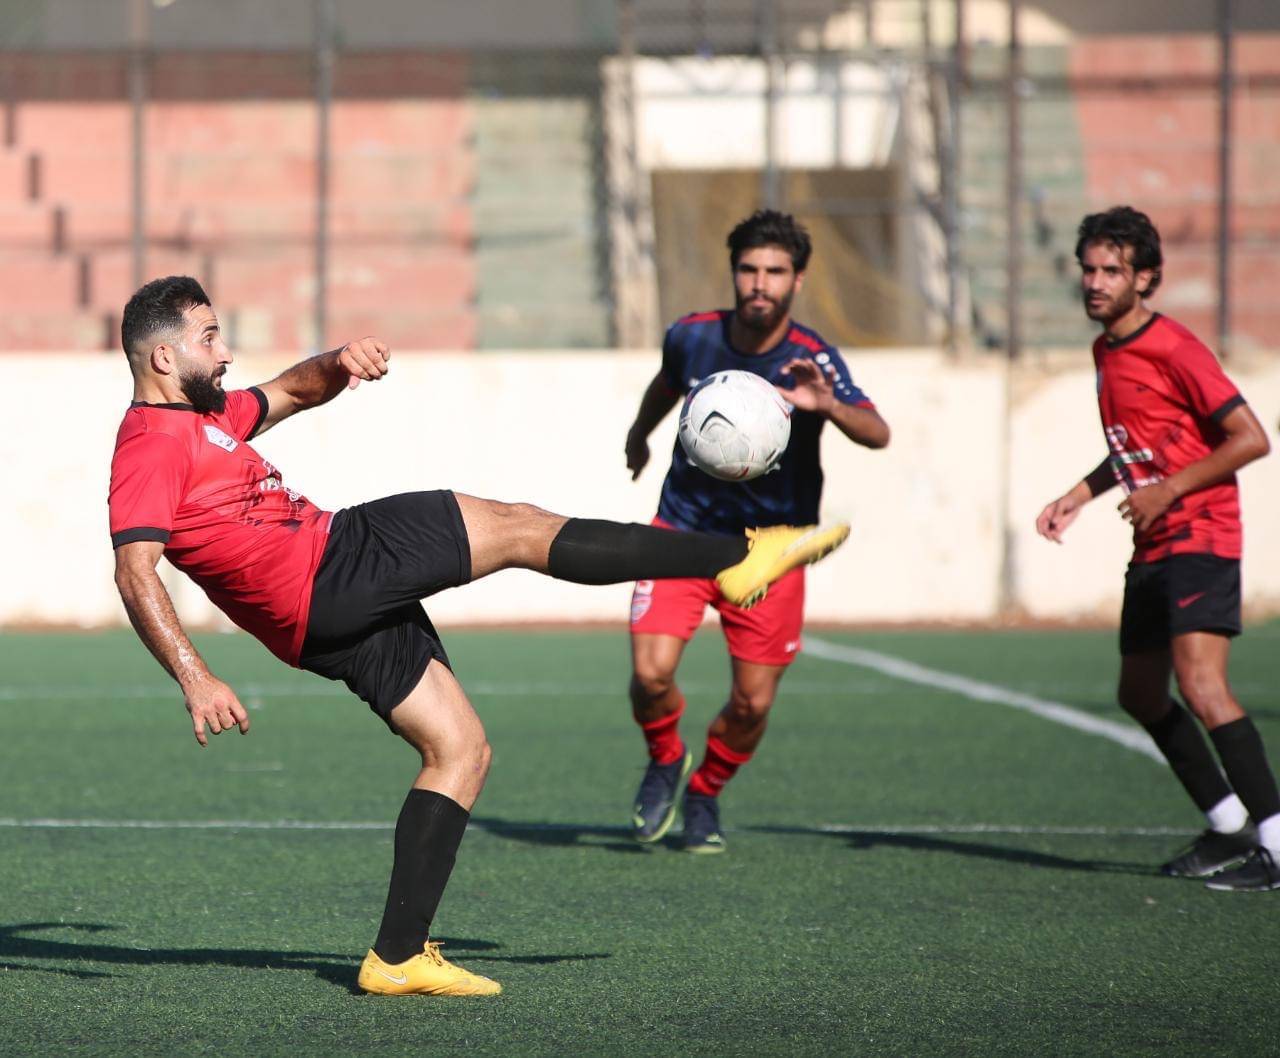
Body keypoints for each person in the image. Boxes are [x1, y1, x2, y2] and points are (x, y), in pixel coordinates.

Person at [108, 276, 852, 996]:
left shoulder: (207, 416)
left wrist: (339, 363)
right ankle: (736, 558)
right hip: (333, 565)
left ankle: (398, 957)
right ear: (164, 356)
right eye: (210, 338)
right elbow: (135, 571)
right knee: (519, 528)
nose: (225, 352)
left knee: (461, 752)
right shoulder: (151, 445)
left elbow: (293, 391)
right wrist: (195, 676)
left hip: (317, 621)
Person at [622, 210, 890, 853]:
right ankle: (666, 757)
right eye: (749, 269)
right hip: (682, 531)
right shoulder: (692, 335)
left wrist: (828, 405)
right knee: (651, 675)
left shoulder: (812, 358)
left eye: (775, 271)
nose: (760, 283)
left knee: (752, 704)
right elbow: (666, 384)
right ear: (734, 272)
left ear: (798, 280)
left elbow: (877, 432)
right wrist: (639, 434)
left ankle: (706, 791)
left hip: (770, 549)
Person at [1036, 206, 1277, 891]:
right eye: (1089, 269)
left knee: (1202, 686)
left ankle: (1276, 839)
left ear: (1145, 278)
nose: (1095, 282)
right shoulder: (1105, 349)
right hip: (1154, 539)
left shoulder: (1174, 347)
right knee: (1140, 692)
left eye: (1112, 271)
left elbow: (1251, 438)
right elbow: (1136, 447)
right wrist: (1079, 494)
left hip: (1201, 532)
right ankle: (1227, 824)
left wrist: (1167, 491)